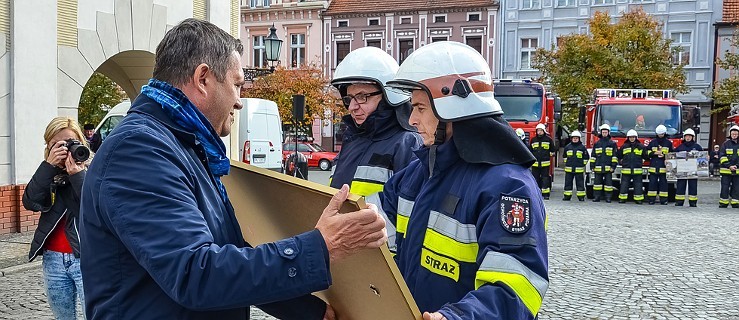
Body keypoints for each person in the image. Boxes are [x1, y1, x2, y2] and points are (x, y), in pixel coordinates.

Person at [79, 19, 387, 319]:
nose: (239, 101)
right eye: (237, 85)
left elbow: (231, 253)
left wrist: (312, 311)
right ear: (203, 79)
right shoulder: (140, 150)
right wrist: (320, 247)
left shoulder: (185, 145)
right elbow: (195, 273)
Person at [376, 41, 548, 320]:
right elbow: (377, 226)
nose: (412, 119)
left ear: (452, 106)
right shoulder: (419, 172)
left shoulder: (509, 187)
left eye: (419, 107)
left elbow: (514, 290)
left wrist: (456, 317)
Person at [329, 46, 422, 197]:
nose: (352, 107)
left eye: (362, 96)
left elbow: (408, 210)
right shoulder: (351, 139)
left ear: (387, 96)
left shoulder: (408, 143)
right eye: (349, 98)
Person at [22, 117, 88, 320]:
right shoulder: (47, 172)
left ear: (81, 142)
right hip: (53, 260)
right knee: (63, 317)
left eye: (71, 142)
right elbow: (30, 202)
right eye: (58, 145)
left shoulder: (92, 169)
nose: (66, 149)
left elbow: (94, 207)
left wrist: (77, 175)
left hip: (86, 257)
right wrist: (48, 167)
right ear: (49, 146)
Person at [674, 128, 703, 207]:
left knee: (693, 186)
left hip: (693, 171)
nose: (688, 138)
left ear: (693, 137)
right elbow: (673, 157)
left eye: (690, 136)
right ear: (684, 137)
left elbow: (702, 158)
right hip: (682, 171)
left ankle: (693, 202)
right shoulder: (679, 147)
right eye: (687, 136)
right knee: (680, 186)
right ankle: (679, 202)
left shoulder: (697, 147)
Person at [617, 129, 647, 204]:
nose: (632, 138)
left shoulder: (641, 146)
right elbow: (619, 156)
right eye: (630, 137)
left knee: (638, 185)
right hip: (626, 169)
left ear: (636, 137)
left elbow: (646, 156)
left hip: (637, 170)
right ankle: (622, 198)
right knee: (624, 184)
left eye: (633, 137)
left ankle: (638, 199)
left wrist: (642, 160)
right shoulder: (624, 146)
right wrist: (621, 162)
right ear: (628, 138)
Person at [590, 124, 618, 203]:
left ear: (608, 133)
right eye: (603, 132)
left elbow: (614, 157)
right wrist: (592, 166)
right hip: (598, 167)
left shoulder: (612, 144)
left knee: (608, 185)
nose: (604, 134)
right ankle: (596, 197)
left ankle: (608, 197)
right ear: (601, 133)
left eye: (606, 132)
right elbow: (593, 156)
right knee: (597, 184)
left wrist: (613, 167)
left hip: (608, 168)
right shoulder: (597, 143)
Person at [646, 124, 674, 205]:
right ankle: (651, 199)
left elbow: (672, 154)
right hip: (653, 167)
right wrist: (654, 153)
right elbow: (647, 152)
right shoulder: (652, 142)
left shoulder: (668, 143)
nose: (660, 135)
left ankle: (664, 200)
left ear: (664, 133)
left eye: (661, 134)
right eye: (659, 134)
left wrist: (664, 155)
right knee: (652, 184)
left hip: (663, 168)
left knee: (663, 185)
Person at [530, 123, 556, 200]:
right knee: (535, 179)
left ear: (544, 131)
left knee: (545, 179)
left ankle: (546, 194)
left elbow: (553, 150)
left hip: (545, 163)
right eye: (538, 130)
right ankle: (536, 194)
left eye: (541, 130)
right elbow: (530, 151)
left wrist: (547, 155)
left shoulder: (548, 140)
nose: (539, 132)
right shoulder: (533, 140)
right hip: (535, 164)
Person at [563, 131, 589, 201]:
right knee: (568, 183)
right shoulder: (567, 147)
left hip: (579, 169)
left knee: (580, 183)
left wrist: (582, 164)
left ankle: (581, 197)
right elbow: (564, 157)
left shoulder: (582, 148)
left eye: (576, 138)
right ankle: (567, 196)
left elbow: (586, 157)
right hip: (569, 169)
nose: (575, 139)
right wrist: (568, 163)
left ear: (579, 139)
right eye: (574, 138)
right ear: (571, 138)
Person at [719, 125, 739, 208]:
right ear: (730, 134)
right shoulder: (725, 144)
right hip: (726, 171)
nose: (734, 135)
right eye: (733, 134)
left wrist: (737, 166)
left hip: (737, 171)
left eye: (736, 134)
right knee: (725, 187)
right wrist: (729, 166)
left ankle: (735, 203)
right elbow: (722, 157)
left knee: (736, 187)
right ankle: (723, 202)